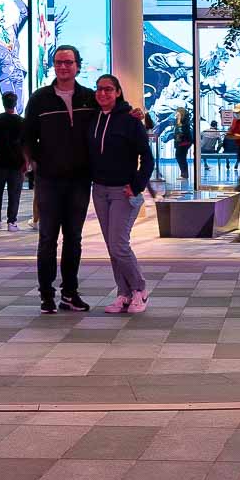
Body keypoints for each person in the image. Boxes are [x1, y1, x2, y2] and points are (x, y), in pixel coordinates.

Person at [23, 45, 96, 313]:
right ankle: (46, 295)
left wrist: (135, 114)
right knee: (47, 239)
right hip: (49, 180)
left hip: (79, 180)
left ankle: (70, 293)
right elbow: (28, 135)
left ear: (78, 65)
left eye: (68, 62)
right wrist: (32, 162)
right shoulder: (40, 98)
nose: (63, 67)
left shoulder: (89, 98)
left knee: (74, 238)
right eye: (58, 62)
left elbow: (112, 112)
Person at [87, 74, 154, 315]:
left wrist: (136, 185)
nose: (102, 93)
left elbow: (147, 158)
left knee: (118, 245)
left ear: (117, 92)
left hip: (122, 192)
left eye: (108, 89)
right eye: (99, 89)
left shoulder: (130, 120)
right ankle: (123, 294)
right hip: (100, 190)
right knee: (111, 246)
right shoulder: (93, 118)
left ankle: (139, 289)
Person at [0, 92, 26, 229]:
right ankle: (12, 222)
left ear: (3, 103)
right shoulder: (22, 122)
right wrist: (27, 161)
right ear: (15, 104)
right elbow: (25, 144)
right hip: (17, 162)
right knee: (14, 193)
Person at [171, 106, 195, 184]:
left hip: (184, 143)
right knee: (180, 157)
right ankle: (184, 173)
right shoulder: (178, 122)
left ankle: (184, 174)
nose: (176, 113)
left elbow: (183, 132)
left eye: (177, 112)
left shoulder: (184, 123)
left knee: (180, 157)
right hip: (181, 142)